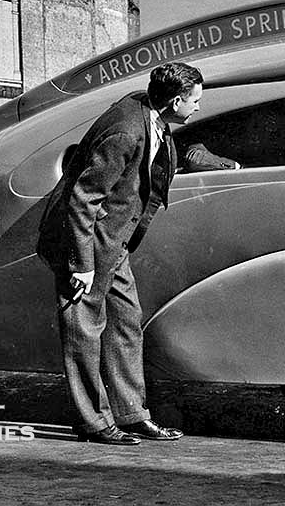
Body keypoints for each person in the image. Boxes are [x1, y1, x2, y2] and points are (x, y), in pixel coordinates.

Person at [36, 62, 203, 446]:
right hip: (83, 241)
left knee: (127, 321)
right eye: (194, 100)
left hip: (114, 242)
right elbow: (83, 198)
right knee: (84, 331)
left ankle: (131, 414)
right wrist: (81, 265)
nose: (198, 106)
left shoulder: (150, 113)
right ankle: (94, 423)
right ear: (175, 100)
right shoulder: (127, 131)